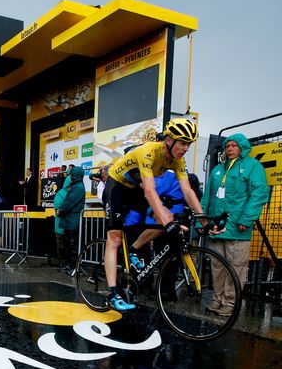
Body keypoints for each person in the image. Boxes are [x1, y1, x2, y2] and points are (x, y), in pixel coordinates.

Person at [102, 118, 204, 311]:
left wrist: (204, 220)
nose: (185, 149)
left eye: (188, 144)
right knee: (114, 239)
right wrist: (167, 222)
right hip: (116, 187)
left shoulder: (177, 161)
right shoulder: (148, 151)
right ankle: (112, 293)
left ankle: (133, 249)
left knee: (166, 218)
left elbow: (188, 191)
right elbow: (149, 191)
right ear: (168, 140)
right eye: (182, 143)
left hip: (134, 190)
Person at [201, 134, 269, 316]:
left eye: (234, 146)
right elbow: (207, 196)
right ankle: (217, 299)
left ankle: (230, 303)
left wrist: (246, 219)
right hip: (216, 228)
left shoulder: (252, 166)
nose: (230, 149)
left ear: (242, 148)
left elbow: (260, 193)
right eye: (227, 146)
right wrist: (203, 219)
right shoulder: (217, 170)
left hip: (238, 227)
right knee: (217, 266)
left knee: (236, 267)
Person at [56, 166, 86, 272]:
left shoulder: (77, 187)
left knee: (71, 244)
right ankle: (69, 265)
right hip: (71, 219)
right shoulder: (76, 186)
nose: (70, 177)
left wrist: (61, 210)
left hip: (72, 220)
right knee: (69, 244)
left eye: (71, 175)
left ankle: (71, 266)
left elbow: (69, 202)